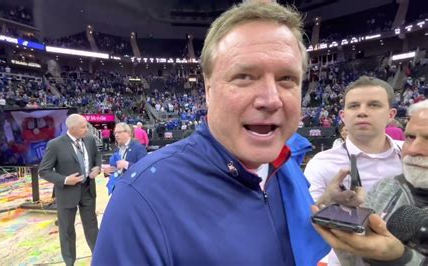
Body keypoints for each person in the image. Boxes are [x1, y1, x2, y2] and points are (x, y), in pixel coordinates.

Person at [93, 2, 329, 265]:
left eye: (287, 78)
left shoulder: (287, 165)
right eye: (245, 76)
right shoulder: (141, 200)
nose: (271, 99)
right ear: (208, 90)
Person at [313, 99, 428, 265]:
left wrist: (401, 258)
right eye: (410, 137)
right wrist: (338, 212)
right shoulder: (387, 186)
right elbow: (355, 259)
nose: (413, 149)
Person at [305, 76, 404, 265]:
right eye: (354, 106)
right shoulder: (322, 163)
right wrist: (329, 201)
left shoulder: (411, 155)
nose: (362, 112)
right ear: (343, 116)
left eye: (373, 105)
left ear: (391, 115)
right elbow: (306, 224)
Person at [38, 114, 101, 266]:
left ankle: (99, 258)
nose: (87, 129)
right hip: (67, 193)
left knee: (92, 227)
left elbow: (96, 157)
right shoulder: (55, 144)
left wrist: (97, 168)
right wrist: (66, 180)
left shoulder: (90, 140)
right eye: (83, 127)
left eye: (86, 126)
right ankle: (69, 262)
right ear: (72, 128)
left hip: (87, 190)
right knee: (66, 230)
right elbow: (44, 170)